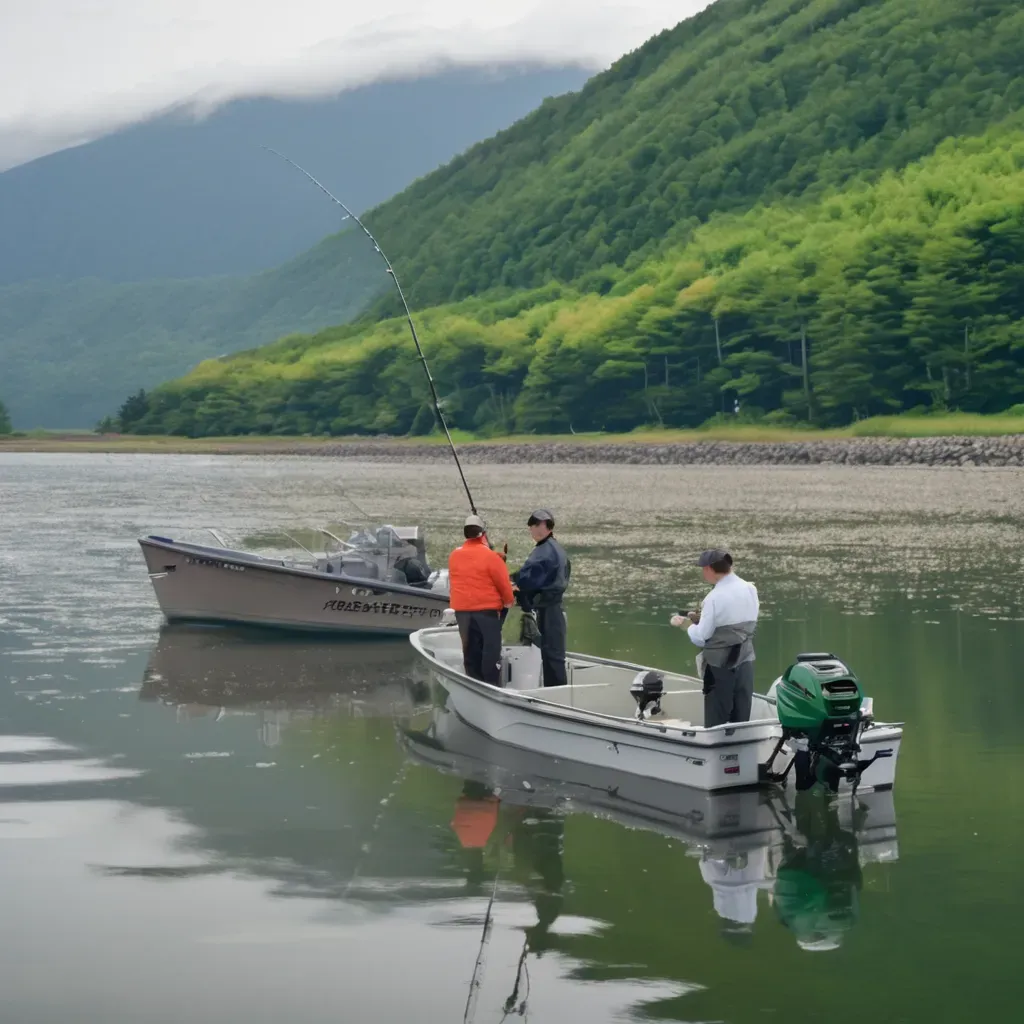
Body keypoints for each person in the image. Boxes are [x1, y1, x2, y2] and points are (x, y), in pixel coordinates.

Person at [670, 549, 759, 727]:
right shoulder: (750, 589)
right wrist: (700, 619)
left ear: (709, 569)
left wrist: (685, 625)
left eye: (703, 569)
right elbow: (739, 624)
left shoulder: (713, 598)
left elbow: (702, 637)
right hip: (745, 662)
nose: (703, 574)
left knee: (717, 722)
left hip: (720, 667)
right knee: (741, 717)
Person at [448, 514, 515, 684]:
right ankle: (492, 686)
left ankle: (473, 684)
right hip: (487, 613)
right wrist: (508, 601)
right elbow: (505, 586)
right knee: (490, 652)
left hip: (462, 613)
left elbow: (471, 568)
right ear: (483, 534)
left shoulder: (454, 555)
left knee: (470, 652)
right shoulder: (492, 558)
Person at [511, 508, 571, 687]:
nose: (531, 529)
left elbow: (527, 579)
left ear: (544, 526)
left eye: (534, 525)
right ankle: (557, 692)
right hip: (555, 608)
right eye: (531, 526)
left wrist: (510, 583)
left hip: (546, 609)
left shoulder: (544, 552)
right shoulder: (557, 548)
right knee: (556, 655)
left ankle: (555, 696)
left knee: (551, 656)